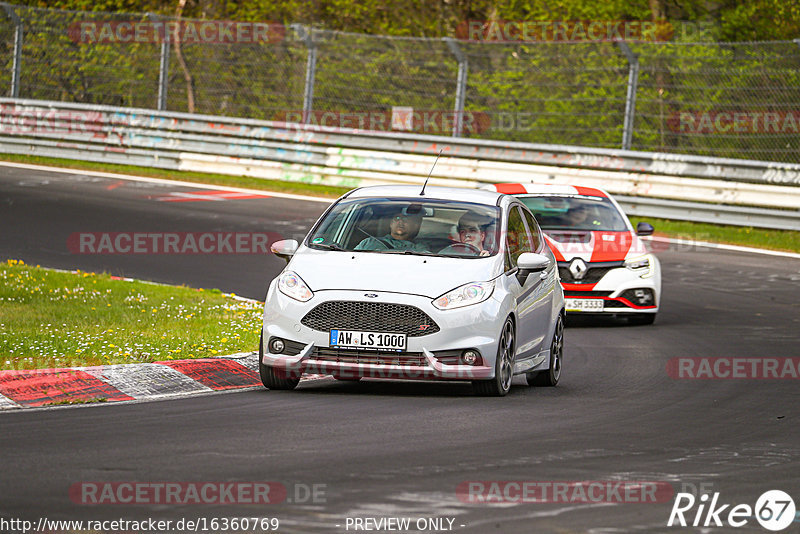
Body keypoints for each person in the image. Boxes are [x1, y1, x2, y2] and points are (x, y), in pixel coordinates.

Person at [354, 205, 430, 252]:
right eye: (397, 218)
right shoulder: (369, 242)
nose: (400, 221)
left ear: (415, 226)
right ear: (391, 223)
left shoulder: (420, 248)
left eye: (406, 219)